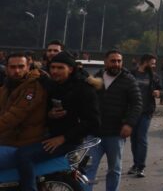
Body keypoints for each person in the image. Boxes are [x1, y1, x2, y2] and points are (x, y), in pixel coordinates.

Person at [15, 51, 100, 191]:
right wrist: (50, 114)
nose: (55, 71)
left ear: (71, 69)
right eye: (53, 67)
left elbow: (93, 123)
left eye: (60, 68)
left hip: (68, 141)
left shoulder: (84, 89)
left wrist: (63, 138)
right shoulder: (53, 85)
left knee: (23, 155)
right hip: (51, 135)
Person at [85, 49, 142, 191]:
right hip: (94, 133)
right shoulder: (95, 79)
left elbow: (137, 104)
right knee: (87, 168)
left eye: (119, 61)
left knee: (114, 169)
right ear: (105, 62)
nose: (116, 64)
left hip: (116, 134)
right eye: (113, 61)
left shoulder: (128, 80)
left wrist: (129, 124)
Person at [0, 53, 47, 171]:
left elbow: (14, 116)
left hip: (22, 142)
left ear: (28, 67)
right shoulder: (7, 86)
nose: (17, 71)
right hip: (7, 140)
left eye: (21, 66)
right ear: (6, 68)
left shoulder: (33, 87)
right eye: (13, 67)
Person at [127, 54, 162, 178]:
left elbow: (159, 90)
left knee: (142, 138)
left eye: (154, 63)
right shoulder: (131, 74)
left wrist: (158, 93)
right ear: (144, 62)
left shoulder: (154, 76)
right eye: (152, 63)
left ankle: (141, 166)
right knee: (134, 139)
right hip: (132, 112)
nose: (154, 66)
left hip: (146, 112)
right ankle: (135, 164)